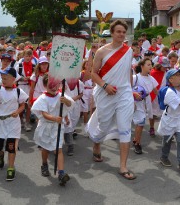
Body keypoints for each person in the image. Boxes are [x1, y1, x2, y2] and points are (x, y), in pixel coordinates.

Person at [86, 19, 137, 180]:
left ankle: (123, 166)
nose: (121, 34)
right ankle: (96, 142)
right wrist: (104, 85)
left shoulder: (128, 51)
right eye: (118, 32)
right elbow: (93, 73)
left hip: (124, 95)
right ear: (112, 33)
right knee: (104, 125)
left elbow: (128, 71)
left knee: (125, 127)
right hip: (105, 93)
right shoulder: (101, 51)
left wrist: (130, 91)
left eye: (123, 32)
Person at [31, 76, 74, 186]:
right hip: (46, 126)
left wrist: (66, 102)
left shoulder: (61, 96)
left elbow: (69, 105)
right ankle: (44, 164)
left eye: (56, 85)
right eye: (51, 86)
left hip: (57, 127)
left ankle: (61, 172)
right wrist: (55, 118)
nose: (54, 88)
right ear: (45, 86)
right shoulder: (43, 98)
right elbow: (44, 114)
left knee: (58, 149)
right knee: (45, 147)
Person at [0, 68, 28, 181]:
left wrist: (18, 112)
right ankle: (0, 155)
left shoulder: (19, 92)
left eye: (5, 78)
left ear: (13, 79)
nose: (3, 80)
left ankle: (10, 168)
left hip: (12, 123)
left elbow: (22, 105)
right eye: (2, 78)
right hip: (0, 122)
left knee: (11, 146)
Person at [132, 58, 158, 154]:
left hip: (147, 101)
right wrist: (133, 93)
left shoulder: (151, 78)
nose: (150, 66)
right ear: (142, 66)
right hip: (137, 102)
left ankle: (135, 139)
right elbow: (126, 88)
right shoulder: (135, 77)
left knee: (141, 123)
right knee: (141, 123)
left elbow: (156, 91)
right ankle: (137, 144)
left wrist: (165, 98)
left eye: (151, 64)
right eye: (148, 64)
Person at [15, 49, 36, 131]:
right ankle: (20, 121)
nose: (28, 57)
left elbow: (35, 77)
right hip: (21, 87)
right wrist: (22, 78)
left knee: (28, 106)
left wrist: (30, 78)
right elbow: (15, 77)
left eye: (29, 56)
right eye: (26, 56)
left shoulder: (34, 66)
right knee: (21, 106)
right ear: (23, 56)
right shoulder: (19, 66)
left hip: (29, 87)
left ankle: (27, 122)